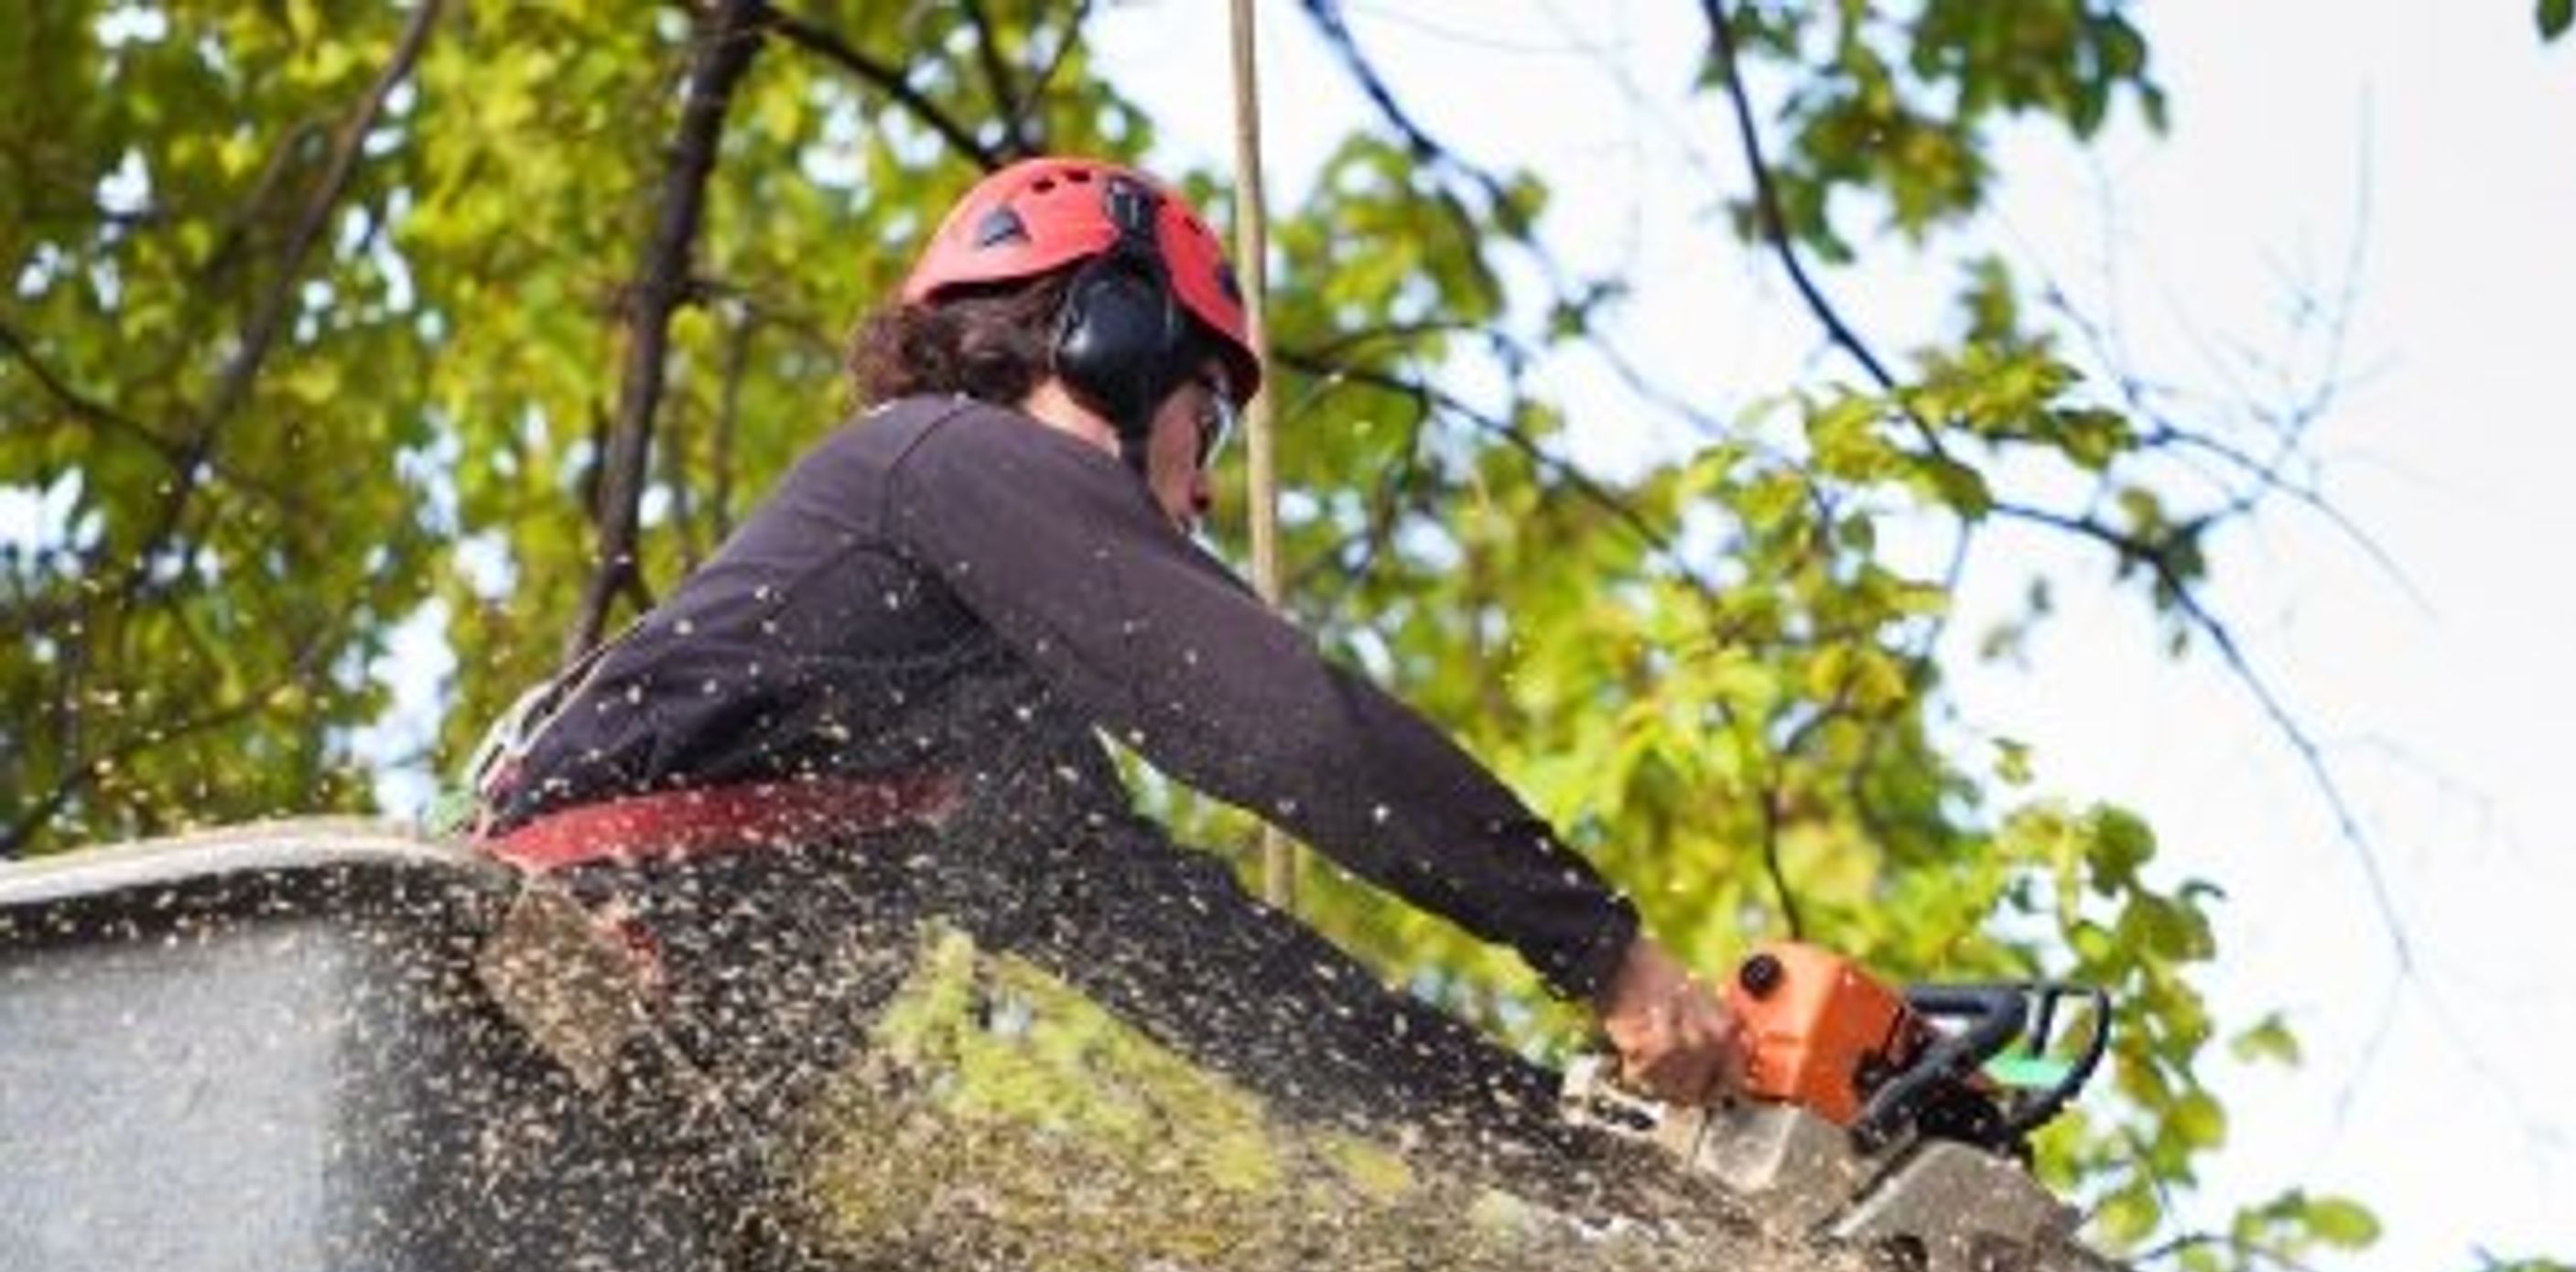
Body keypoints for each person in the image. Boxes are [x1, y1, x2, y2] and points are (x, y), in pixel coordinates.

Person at [471, 155, 1744, 1154]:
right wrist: (1604, 951)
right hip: (518, 1010)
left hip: (602, 1114)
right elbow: (1290, 727)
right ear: (1112, 344)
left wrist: (1576, 1151)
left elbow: (1229, 984)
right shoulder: (942, 458)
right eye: (1210, 418)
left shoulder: (981, 730)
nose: (1206, 491)